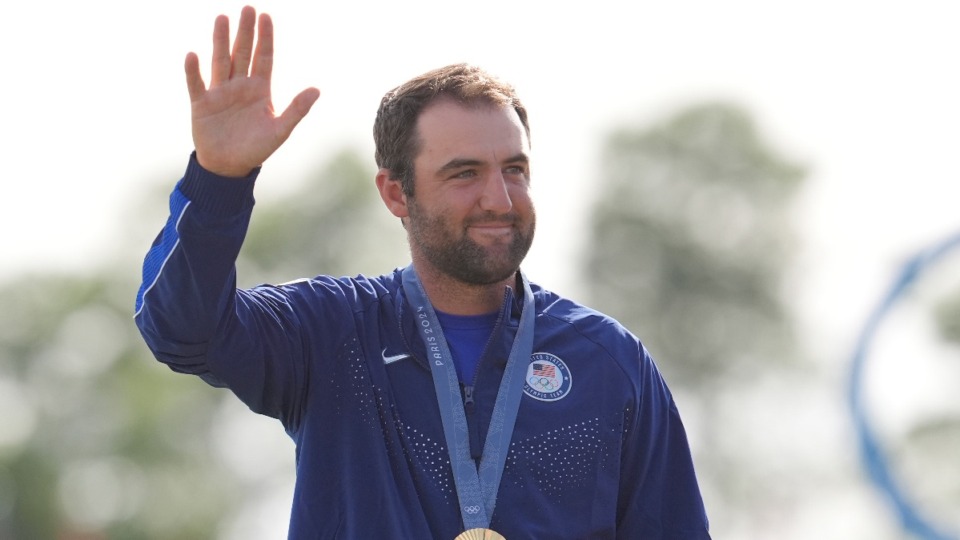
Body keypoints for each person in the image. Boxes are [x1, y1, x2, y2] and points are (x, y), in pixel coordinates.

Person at [134, 5, 710, 539]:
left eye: (514, 169)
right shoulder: (330, 333)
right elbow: (183, 331)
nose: (500, 199)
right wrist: (220, 182)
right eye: (464, 174)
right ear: (395, 192)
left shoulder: (610, 361)